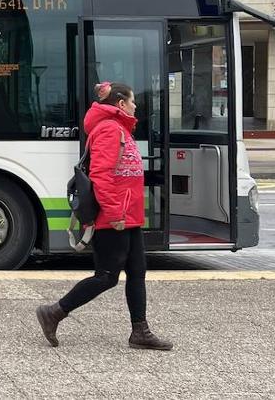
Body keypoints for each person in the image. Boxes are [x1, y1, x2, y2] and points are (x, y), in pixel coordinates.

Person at [35, 81, 173, 350]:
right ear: (121, 104)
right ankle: (53, 313)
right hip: (114, 218)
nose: (136, 106)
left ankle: (140, 332)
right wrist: (114, 213)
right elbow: (101, 176)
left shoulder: (120, 129)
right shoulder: (110, 130)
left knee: (137, 272)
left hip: (128, 216)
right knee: (106, 276)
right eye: (132, 101)